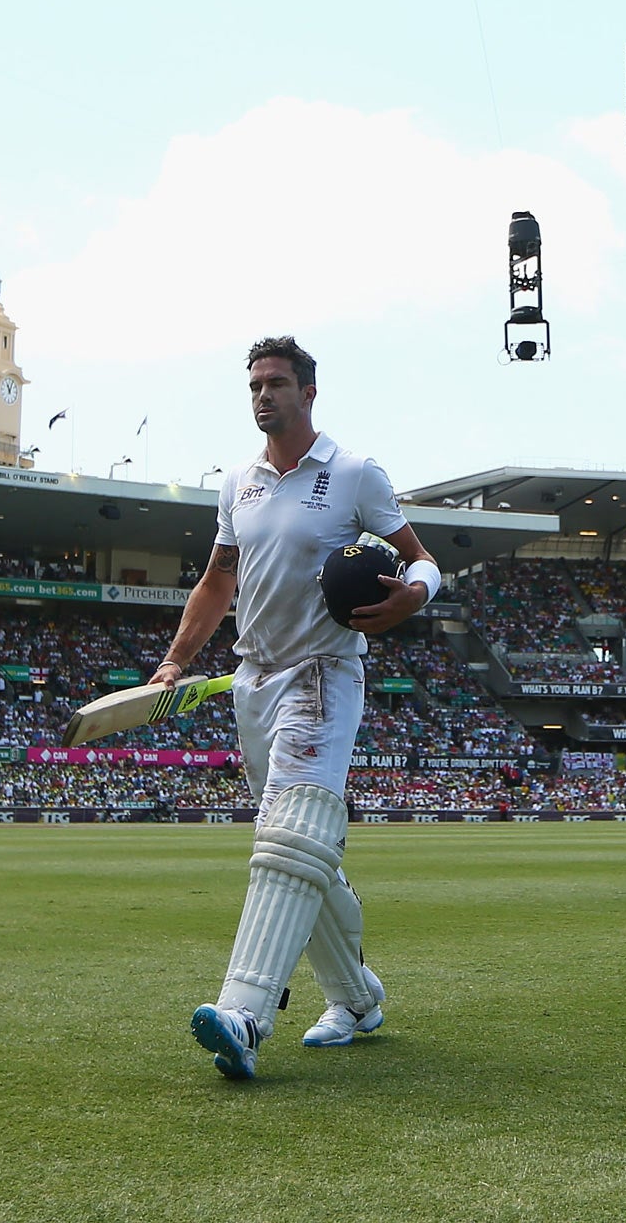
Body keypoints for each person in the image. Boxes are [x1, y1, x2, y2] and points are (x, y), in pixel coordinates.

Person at [148, 336, 439, 1080]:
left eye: (276, 383)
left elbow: (421, 558)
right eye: (254, 384)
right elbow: (218, 583)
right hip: (254, 681)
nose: (262, 395)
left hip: (324, 673)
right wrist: (178, 659)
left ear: (308, 392)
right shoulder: (238, 483)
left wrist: (413, 595)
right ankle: (355, 995)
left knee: (286, 843)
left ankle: (243, 1015)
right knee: (302, 850)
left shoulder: (351, 474)